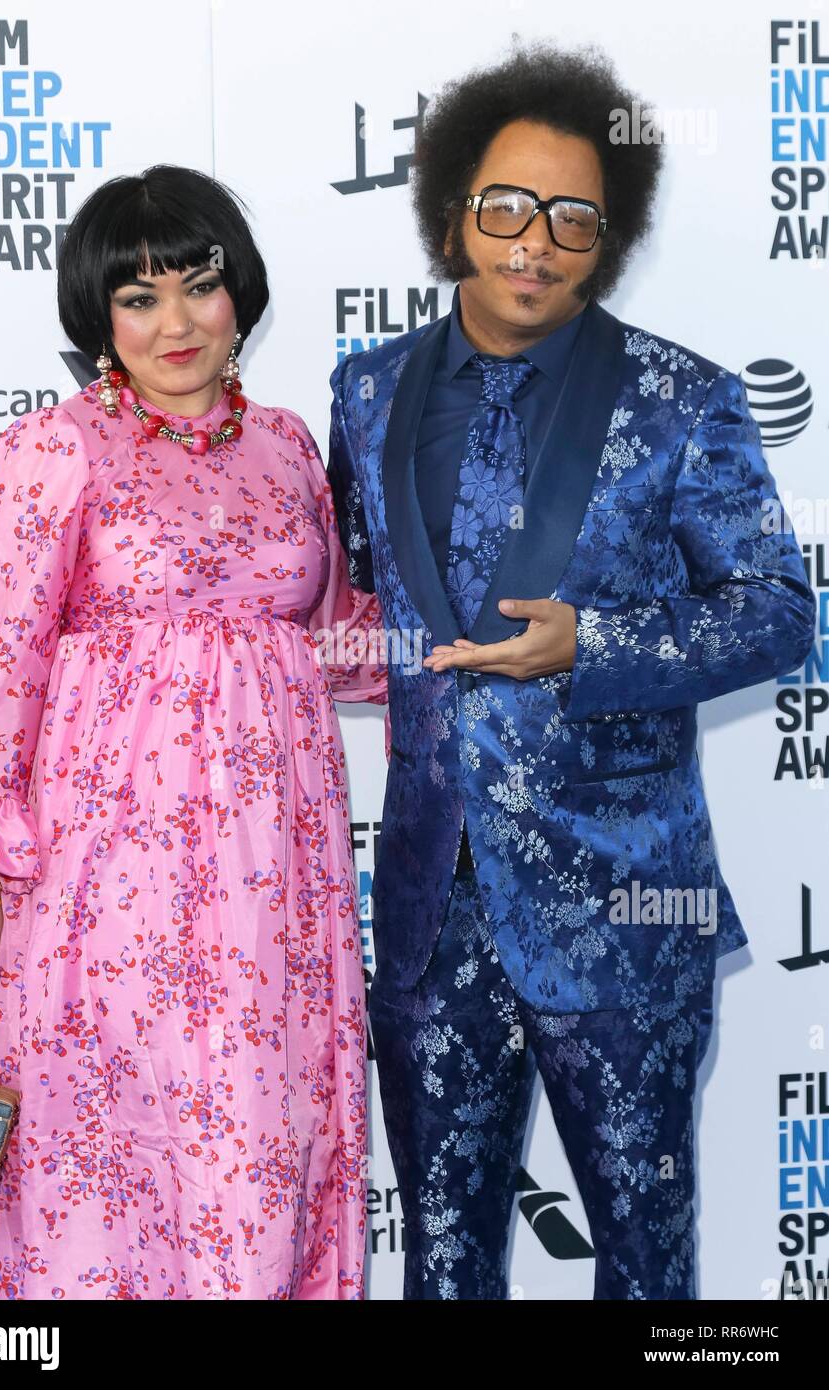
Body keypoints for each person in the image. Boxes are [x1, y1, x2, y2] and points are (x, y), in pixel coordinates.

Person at [327, 43, 815, 1300]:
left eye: (571, 219)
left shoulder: (681, 399)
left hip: (624, 910)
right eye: (504, 209)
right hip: (432, 908)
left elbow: (776, 615)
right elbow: (365, 597)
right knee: (441, 1257)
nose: (532, 243)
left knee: (647, 1266)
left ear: (609, 237)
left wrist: (596, 644)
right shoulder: (366, 391)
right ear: (451, 217)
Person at [0, 164, 386, 1300]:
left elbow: (342, 641)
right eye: (138, 297)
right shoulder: (53, 450)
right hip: (102, 888)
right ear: (99, 317)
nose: (175, 322)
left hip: (276, 889)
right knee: (103, 1154)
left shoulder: (285, 448)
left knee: (262, 1140)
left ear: (241, 293)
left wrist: (490, 644)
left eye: (198, 286)